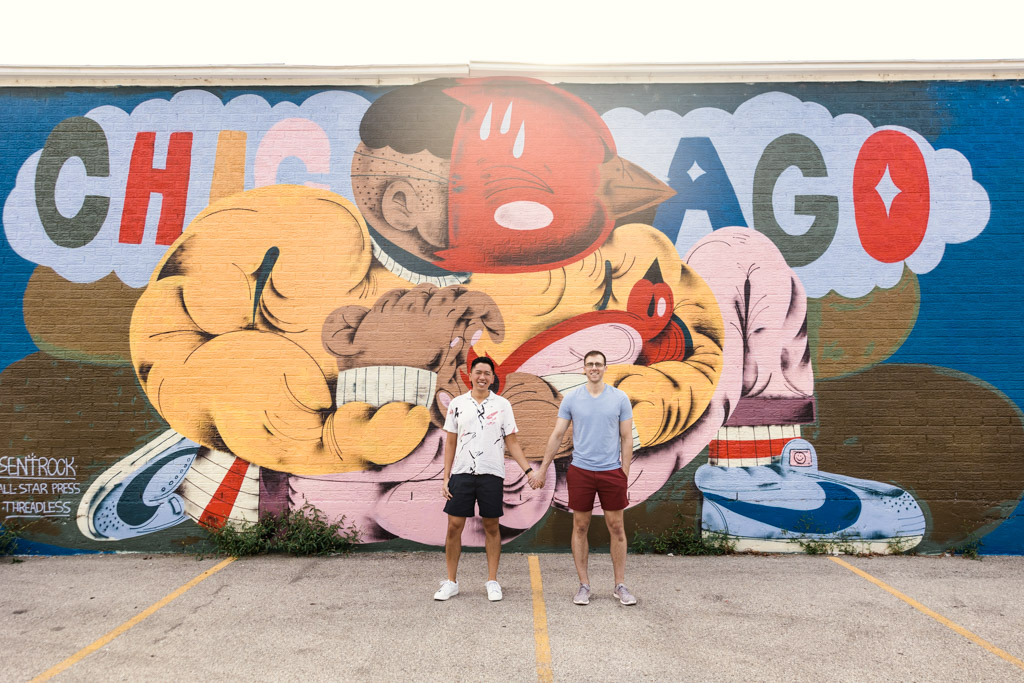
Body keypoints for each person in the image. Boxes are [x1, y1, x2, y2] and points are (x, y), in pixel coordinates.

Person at [530, 350, 637, 606]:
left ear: (605, 368)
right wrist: (543, 468)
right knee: (580, 526)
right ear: (584, 369)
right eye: (589, 364)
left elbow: (626, 438)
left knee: (617, 528)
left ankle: (620, 585)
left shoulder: (619, 398)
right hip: (581, 471)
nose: (594, 368)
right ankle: (584, 585)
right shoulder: (572, 399)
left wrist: (624, 474)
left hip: (611, 471)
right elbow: (557, 435)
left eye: (598, 364)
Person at [434, 356, 535, 602]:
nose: (482, 377)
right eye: (478, 372)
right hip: (462, 473)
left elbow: (512, 441)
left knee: (491, 527)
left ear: (492, 377)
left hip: (492, 473)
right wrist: (445, 477)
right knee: (453, 527)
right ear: (470, 375)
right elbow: (450, 442)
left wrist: (529, 472)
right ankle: (451, 582)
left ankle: (492, 581)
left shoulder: (502, 405)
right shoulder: (457, 404)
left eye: (487, 373)